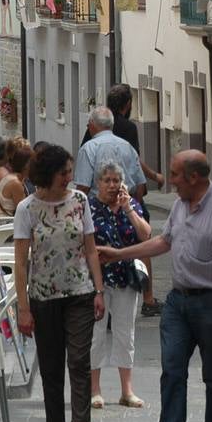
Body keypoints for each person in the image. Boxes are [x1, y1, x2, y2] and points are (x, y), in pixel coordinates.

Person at [96, 150, 212, 422]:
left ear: (193, 177)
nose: (171, 182)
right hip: (179, 302)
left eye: (176, 175)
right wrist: (119, 253)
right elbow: (164, 242)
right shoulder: (181, 204)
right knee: (173, 370)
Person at [12, 144, 106, 422]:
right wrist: (23, 309)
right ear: (49, 174)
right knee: (52, 367)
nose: (70, 176)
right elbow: (21, 262)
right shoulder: (27, 209)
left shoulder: (80, 201)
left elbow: (90, 248)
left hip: (79, 292)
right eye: (64, 172)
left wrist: (99, 290)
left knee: (79, 360)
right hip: (43, 297)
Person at [83, 84, 166, 317]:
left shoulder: (92, 134)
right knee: (142, 246)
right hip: (124, 197)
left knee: (98, 246)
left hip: (97, 201)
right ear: (127, 105)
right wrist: (138, 199)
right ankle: (147, 297)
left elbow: (81, 179)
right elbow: (136, 164)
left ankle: (101, 289)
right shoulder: (128, 129)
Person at [88, 161, 151, 409]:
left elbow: (145, 235)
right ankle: (95, 389)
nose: (112, 185)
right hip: (98, 280)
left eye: (116, 181)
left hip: (126, 279)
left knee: (126, 334)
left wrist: (128, 210)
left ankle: (127, 390)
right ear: (98, 184)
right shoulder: (90, 209)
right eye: (107, 181)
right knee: (96, 335)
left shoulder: (131, 205)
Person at [73, 106, 145, 197]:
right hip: (126, 203)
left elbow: (83, 187)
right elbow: (140, 185)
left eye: (88, 125)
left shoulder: (89, 148)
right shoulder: (127, 146)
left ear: (92, 124)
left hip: (99, 206)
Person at [0, 138, 32, 218]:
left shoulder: (12, 177)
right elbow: (25, 213)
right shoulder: (15, 183)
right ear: (25, 166)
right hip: (5, 226)